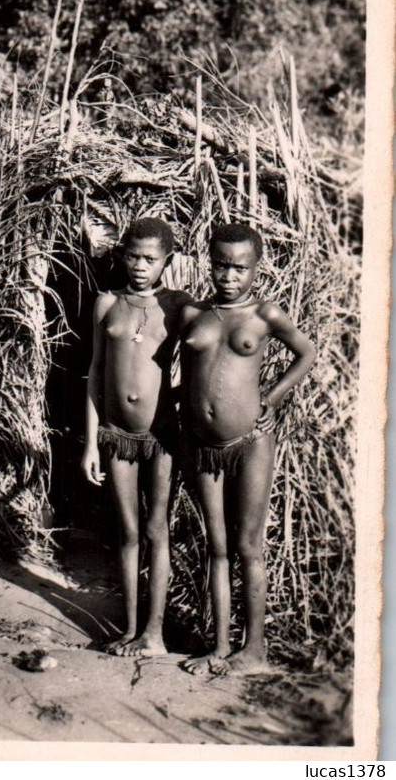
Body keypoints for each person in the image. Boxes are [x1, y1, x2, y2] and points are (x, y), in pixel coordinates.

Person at [178, 222, 316, 675]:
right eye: (220, 265)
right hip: (203, 444)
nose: (229, 276)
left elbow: (306, 353)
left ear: (256, 268)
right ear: (209, 262)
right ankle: (219, 648)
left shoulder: (265, 314)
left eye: (239, 268)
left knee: (248, 545)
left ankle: (253, 650)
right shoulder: (193, 315)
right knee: (216, 545)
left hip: (251, 442)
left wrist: (271, 400)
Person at [82, 217, 191, 657]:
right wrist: (91, 442)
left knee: (155, 527)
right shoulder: (107, 303)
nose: (140, 266)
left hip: (160, 434)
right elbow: (94, 372)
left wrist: (187, 396)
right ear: (121, 254)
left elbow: (211, 343)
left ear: (167, 261)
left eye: (150, 259)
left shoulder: (177, 305)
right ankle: (129, 629)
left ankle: (155, 634)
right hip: (115, 434)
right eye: (133, 256)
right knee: (127, 531)